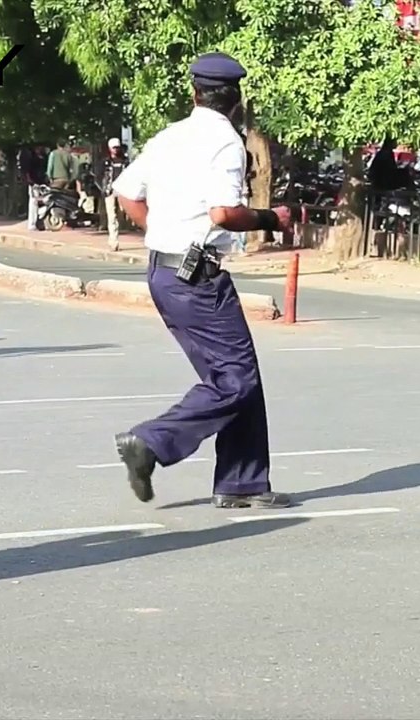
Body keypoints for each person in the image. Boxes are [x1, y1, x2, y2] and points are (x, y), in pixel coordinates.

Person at [110, 51, 293, 510]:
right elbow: (224, 213)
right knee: (235, 380)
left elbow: (127, 193)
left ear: (195, 93)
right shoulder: (227, 142)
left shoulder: (170, 136)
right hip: (196, 278)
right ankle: (149, 442)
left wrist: (163, 230)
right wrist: (273, 217)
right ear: (236, 100)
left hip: (165, 270)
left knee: (236, 373)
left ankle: (243, 481)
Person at [103, 138, 129, 251]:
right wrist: (104, 187)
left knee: (122, 213)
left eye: (117, 147)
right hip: (110, 191)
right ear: (110, 148)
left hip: (122, 190)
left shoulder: (125, 161)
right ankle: (113, 241)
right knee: (111, 216)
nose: (116, 150)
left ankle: (117, 235)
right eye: (114, 148)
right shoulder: (106, 162)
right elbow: (100, 175)